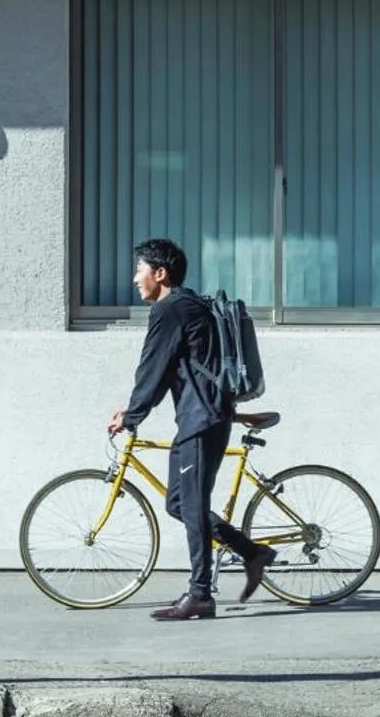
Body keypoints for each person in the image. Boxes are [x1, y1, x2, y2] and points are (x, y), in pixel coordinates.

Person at [105, 238, 276, 621]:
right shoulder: (187, 305)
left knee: (193, 505)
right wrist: (134, 410)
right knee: (178, 503)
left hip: (202, 420)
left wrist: (131, 416)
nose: (135, 279)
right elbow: (165, 372)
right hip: (200, 418)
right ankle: (252, 553)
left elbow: (151, 369)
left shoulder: (171, 309)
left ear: (160, 273)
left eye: (140, 270)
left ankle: (200, 594)